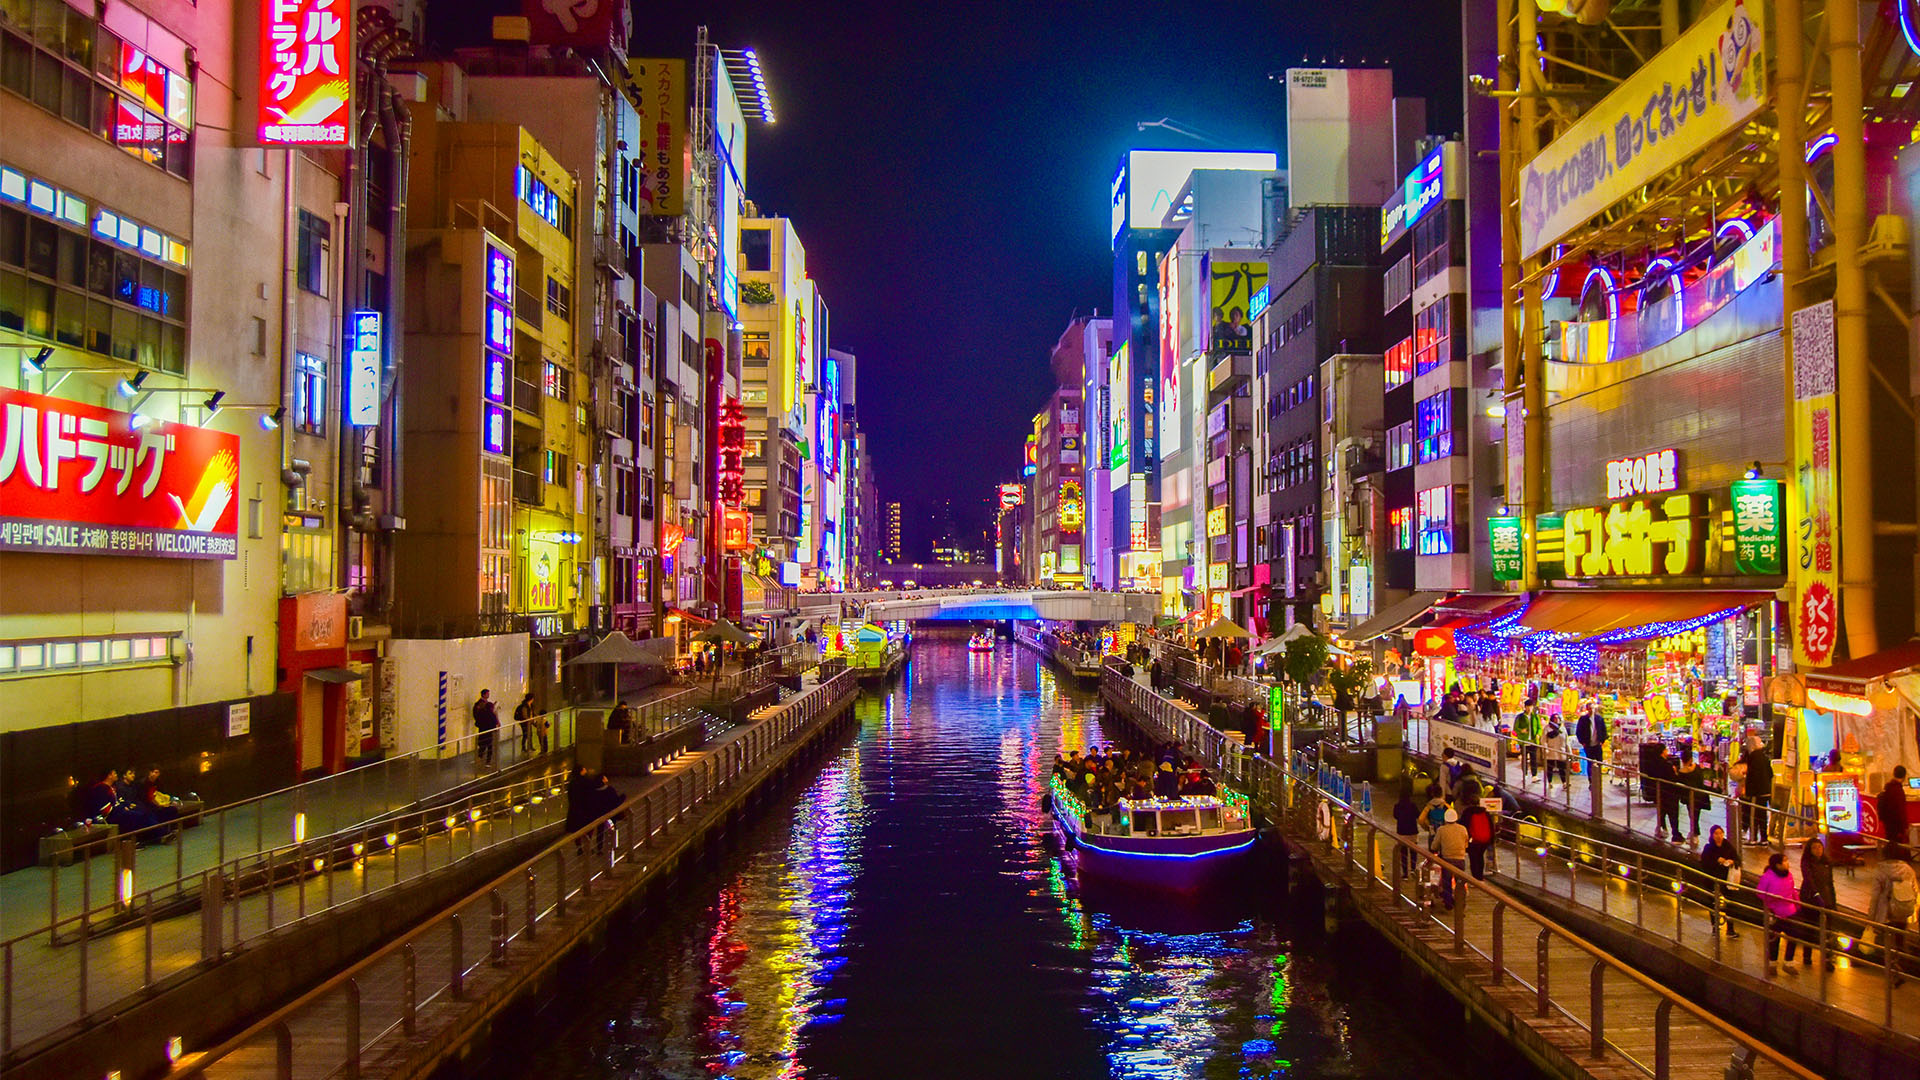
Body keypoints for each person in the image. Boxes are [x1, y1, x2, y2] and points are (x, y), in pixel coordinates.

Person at [1869, 841, 1919, 982]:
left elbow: (1875, 896)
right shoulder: (1908, 869)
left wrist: (1871, 917)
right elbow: (1915, 892)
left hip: (1886, 914)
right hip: (1902, 912)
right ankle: (1901, 969)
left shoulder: (1881, 870)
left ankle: (1893, 972)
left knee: (1887, 944)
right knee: (1900, 941)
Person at [1756, 851, 1803, 974]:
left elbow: (1793, 891)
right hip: (1775, 912)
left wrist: (1798, 905)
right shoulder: (1767, 876)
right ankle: (1772, 963)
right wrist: (1771, 902)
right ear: (1778, 865)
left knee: (1794, 936)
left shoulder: (1789, 875)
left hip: (1790, 911)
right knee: (1774, 939)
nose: (1788, 863)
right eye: (1785, 861)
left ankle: (1788, 962)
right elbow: (1760, 893)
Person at [1799, 837, 1838, 971]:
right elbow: (1809, 880)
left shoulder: (1826, 863)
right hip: (1811, 898)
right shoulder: (1807, 863)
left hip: (1826, 898)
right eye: (1814, 848)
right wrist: (1816, 895)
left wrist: (1833, 901)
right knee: (1810, 927)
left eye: (1820, 847)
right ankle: (1807, 955)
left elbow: (1830, 883)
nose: (1818, 850)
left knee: (1828, 930)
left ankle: (1827, 959)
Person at [1699, 825, 1742, 938]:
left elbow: (1738, 859)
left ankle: (1730, 929)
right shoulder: (1708, 848)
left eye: (1721, 833)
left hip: (1726, 880)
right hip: (1712, 880)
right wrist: (1717, 861)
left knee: (1730, 904)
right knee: (1713, 904)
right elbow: (1704, 863)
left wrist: (1732, 861)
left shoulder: (1727, 846)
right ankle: (1715, 927)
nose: (1719, 836)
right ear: (1712, 835)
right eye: (1716, 834)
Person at [1737, 734, 1774, 844]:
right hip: (1766, 791)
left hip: (1756, 792)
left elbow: (1752, 776)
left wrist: (1748, 791)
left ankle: (1753, 838)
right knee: (1762, 816)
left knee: (1754, 816)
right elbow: (1770, 773)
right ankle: (1764, 838)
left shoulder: (1753, 758)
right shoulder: (1764, 757)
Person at [1432, 808, 1470, 909]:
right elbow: (1466, 844)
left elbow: (1434, 846)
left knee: (1447, 881)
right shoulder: (1463, 829)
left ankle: (1448, 902)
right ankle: (1461, 902)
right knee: (1460, 883)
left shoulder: (1441, 830)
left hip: (1447, 859)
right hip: (1460, 859)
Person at [1647, 743, 1681, 841]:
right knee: (1673, 813)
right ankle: (1675, 833)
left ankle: (1662, 829)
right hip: (1669, 793)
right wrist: (1675, 772)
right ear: (1662, 752)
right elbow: (1673, 778)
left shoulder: (1652, 763)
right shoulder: (1667, 765)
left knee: (1661, 811)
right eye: (1666, 750)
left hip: (1659, 792)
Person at [1675, 746, 1708, 844]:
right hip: (1700, 796)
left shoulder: (1681, 772)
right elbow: (1701, 781)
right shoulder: (1697, 768)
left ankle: (1694, 834)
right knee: (1695, 815)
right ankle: (1694, 833)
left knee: (1692, 815)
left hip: (1689, 797)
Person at [1393, 785, 1422, 881]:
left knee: (1403, 853)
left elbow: (1395, 816)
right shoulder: (1413, 805)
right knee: (1413, 852)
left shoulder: (1397, 806)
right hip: (1413, 831)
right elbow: (1418, 815)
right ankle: (1413, 869)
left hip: (1402, 831)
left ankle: (1405, 873)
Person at [1462, 796, 1495, 880]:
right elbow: (1491, 826)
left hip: (1473, 840)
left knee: (1473, 858)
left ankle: (1475, 878)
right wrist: (1491, 840)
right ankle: (1480, 877)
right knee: (1480, 857)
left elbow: (1463, 825)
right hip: (1485, 840)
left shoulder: (1468, 812)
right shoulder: (1485, 812)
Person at [1879, 766, 1911, 846]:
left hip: (1888, 822)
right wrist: (1905, 826)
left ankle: (1888, 856)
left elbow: (1881, 804)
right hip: (1897, 824)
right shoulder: (1898, 790)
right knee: (1897, 844)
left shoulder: (1887, 787)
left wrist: (1882, 817)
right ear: (1904, 776)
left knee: (1890, 840)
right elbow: (1901, 810)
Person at [1513, 702, 1541, 779]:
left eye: (1531, 707)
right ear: (1525, 707)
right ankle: (1524, 774)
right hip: (1524, 741)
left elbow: (1539, 727)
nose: (1529, 708)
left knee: (1534, 759)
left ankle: (1534, 775)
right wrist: (1521, 731)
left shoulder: (1535, 716)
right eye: (1528, 707)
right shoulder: (1520, 717)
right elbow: (1515, 728)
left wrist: (1538, 734)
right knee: (1524, 759)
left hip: (1533, 741)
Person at [472, 689, 500, 767]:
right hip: (488, 730)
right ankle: (487, 761)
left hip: (482, 728)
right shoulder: (480, 705)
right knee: (489, 745)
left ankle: (480, 758)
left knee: (482, 744)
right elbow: (494, 721)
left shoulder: (482, 711)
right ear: (483, 694)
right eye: (487, 694)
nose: (488, 695)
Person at [1542, 717, 1569, 789]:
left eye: (1558, 718)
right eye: (1555, 718)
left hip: (1561, 751)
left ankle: (1564, 782)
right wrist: (1545, 749)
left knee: (1562, 768)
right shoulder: (1547, 728)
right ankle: (1550, 782)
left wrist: (1569, 752)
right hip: (1551, 751)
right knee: (1550, 767)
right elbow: (1544, 740)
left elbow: (1567, 741)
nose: (1556, 720)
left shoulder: (1562, 728)